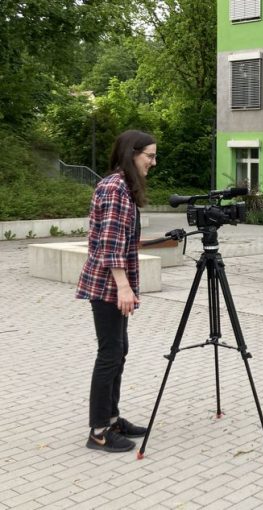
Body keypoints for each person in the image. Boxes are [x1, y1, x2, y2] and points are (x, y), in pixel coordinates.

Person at [76, 130, 156, 452]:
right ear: (131, 153)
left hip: (115, 284)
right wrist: (123, 287)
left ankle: (112, 418)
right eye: (149, 155)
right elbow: (109, 245)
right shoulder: (115, 188)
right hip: (108, 285)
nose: (153, 161)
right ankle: (98, 432)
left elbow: (119, 238)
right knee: (109, 354)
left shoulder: (124, 187)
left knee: (118, 351)